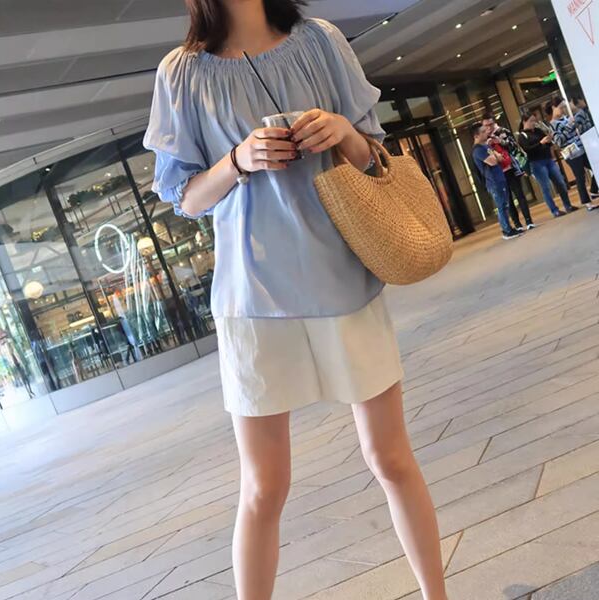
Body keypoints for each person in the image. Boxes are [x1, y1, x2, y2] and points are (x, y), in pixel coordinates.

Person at [144, 2, 448, 600]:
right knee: (263, 487)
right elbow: (186, 198)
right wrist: (238, 160)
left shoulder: (320, 41)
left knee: (390, 458)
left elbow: (374, 156)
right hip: (251, 298)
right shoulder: (181, 72)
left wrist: (343, 134)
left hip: (344, 280)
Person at [482, 112, 534, 230]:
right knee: (508, 199)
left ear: (494, 122)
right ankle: (517, 224)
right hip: (498, 172)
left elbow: (514, 146)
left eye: (490, 124)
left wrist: (500, 141)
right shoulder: (484, 138)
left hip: (511, 168)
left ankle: (529, 221)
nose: (488, 127)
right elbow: (484, 155)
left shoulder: (502, 131)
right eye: (486, 125)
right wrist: (488, 145)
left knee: (520, 194)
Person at [518, 111, 575, 217]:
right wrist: (541, 143)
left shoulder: (538, 131)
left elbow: (548, 144)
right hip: (536, 163)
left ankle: (568, 205)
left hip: (548, 159)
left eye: (535, 121)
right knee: (546, 187)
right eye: (531, 121)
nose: (533, 123)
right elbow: (527, 150)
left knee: (560, 182)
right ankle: (554, 210)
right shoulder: (522, 136)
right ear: (524, 121)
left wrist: (549, 140)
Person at [471, 123, 522, 240]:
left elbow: (501, 157)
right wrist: (495, 155)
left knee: (505, 205)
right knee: (501, 206)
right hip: (493, 181)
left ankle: (509, 228)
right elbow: (493, 161)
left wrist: (495, 155)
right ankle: (506, 230)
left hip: (500, 178)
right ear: (476, 136)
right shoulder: (478, 150)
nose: (486, 133)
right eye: (483, 132)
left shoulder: (486, 146)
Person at [547, 97, 598, 211]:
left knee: (596, 167)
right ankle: (587, 202)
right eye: (561, 107)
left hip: (582, 149)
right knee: (580, 177)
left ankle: (594, 190)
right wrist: (570, 126)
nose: (563, 110)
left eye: (564, 107)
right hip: (572, 154)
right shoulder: (552, 125)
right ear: (554, 107)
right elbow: (559, 141)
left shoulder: (566, 117)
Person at [571, 96, 599, 198]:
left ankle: (594, 190)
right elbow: (576, 128)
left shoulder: (585, 111)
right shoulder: (580, 114)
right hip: (590, 143)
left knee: (596, 167)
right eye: (582, 100)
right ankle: (593, 190)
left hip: (591, 142)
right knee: (596, 167)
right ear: (579, 101)